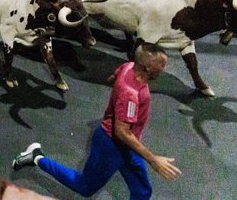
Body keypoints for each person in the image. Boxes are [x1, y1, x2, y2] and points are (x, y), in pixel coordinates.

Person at [12, 42, 181, 199]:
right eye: (162, 64)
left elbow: (114, 76)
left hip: (129, 145)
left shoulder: (129, 66)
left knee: (142, 191)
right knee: (85, 187)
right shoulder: (131, 94)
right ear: (148, 66)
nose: (164, 69)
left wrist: (117, 93)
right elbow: (121, 131)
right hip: (111, 146)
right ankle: (37, 157)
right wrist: (152, 159)